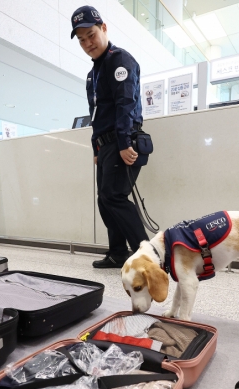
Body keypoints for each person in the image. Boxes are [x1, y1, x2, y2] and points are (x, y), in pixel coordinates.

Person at [71, 5, 149, 268]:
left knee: (114, 197)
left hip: (122, 140)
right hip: (105, 145)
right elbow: (95, 115)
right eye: (81, 40)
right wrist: (95, 148)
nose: (87, 43)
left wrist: (125, 142)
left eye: (91, 35)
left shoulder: (120, 60)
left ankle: (148, 257)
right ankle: (117, 253)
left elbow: (125, 103)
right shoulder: (93, 74)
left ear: (103, 28)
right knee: (104, 199)